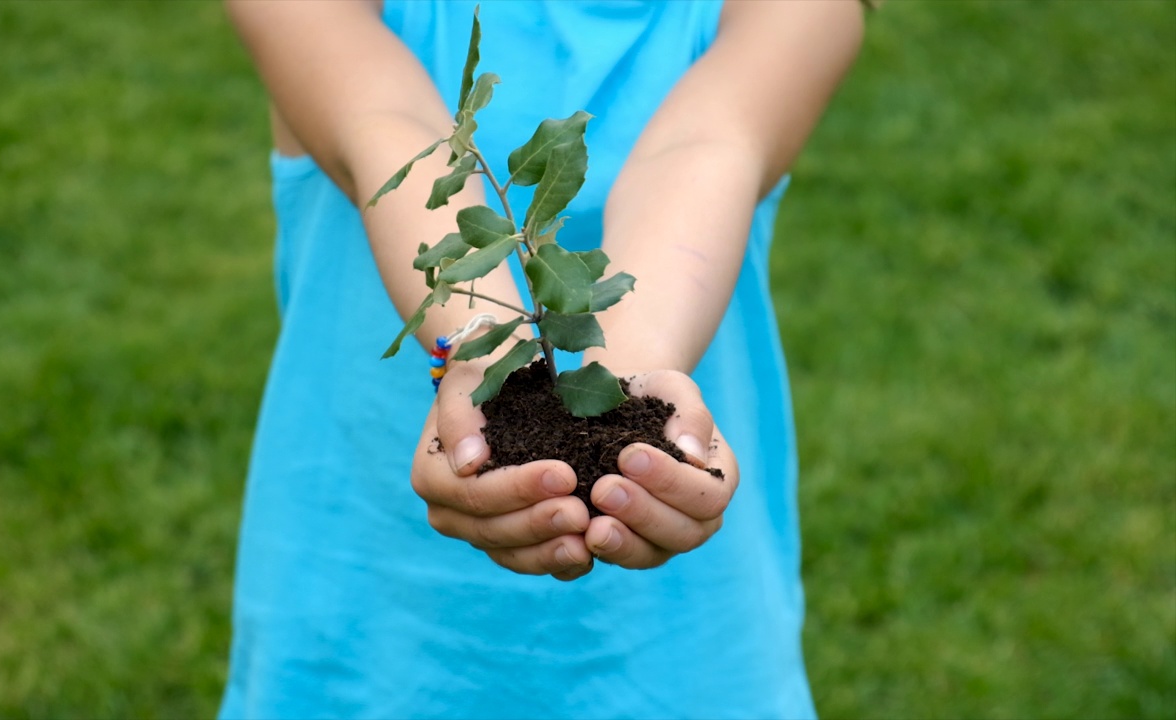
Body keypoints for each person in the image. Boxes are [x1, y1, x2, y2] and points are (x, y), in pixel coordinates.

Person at [219, 1, 865, 717]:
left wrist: (624, 383)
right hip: (365, 622)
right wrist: (479, 350)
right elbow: (387, 126)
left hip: (682, 648)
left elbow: (706, 146)